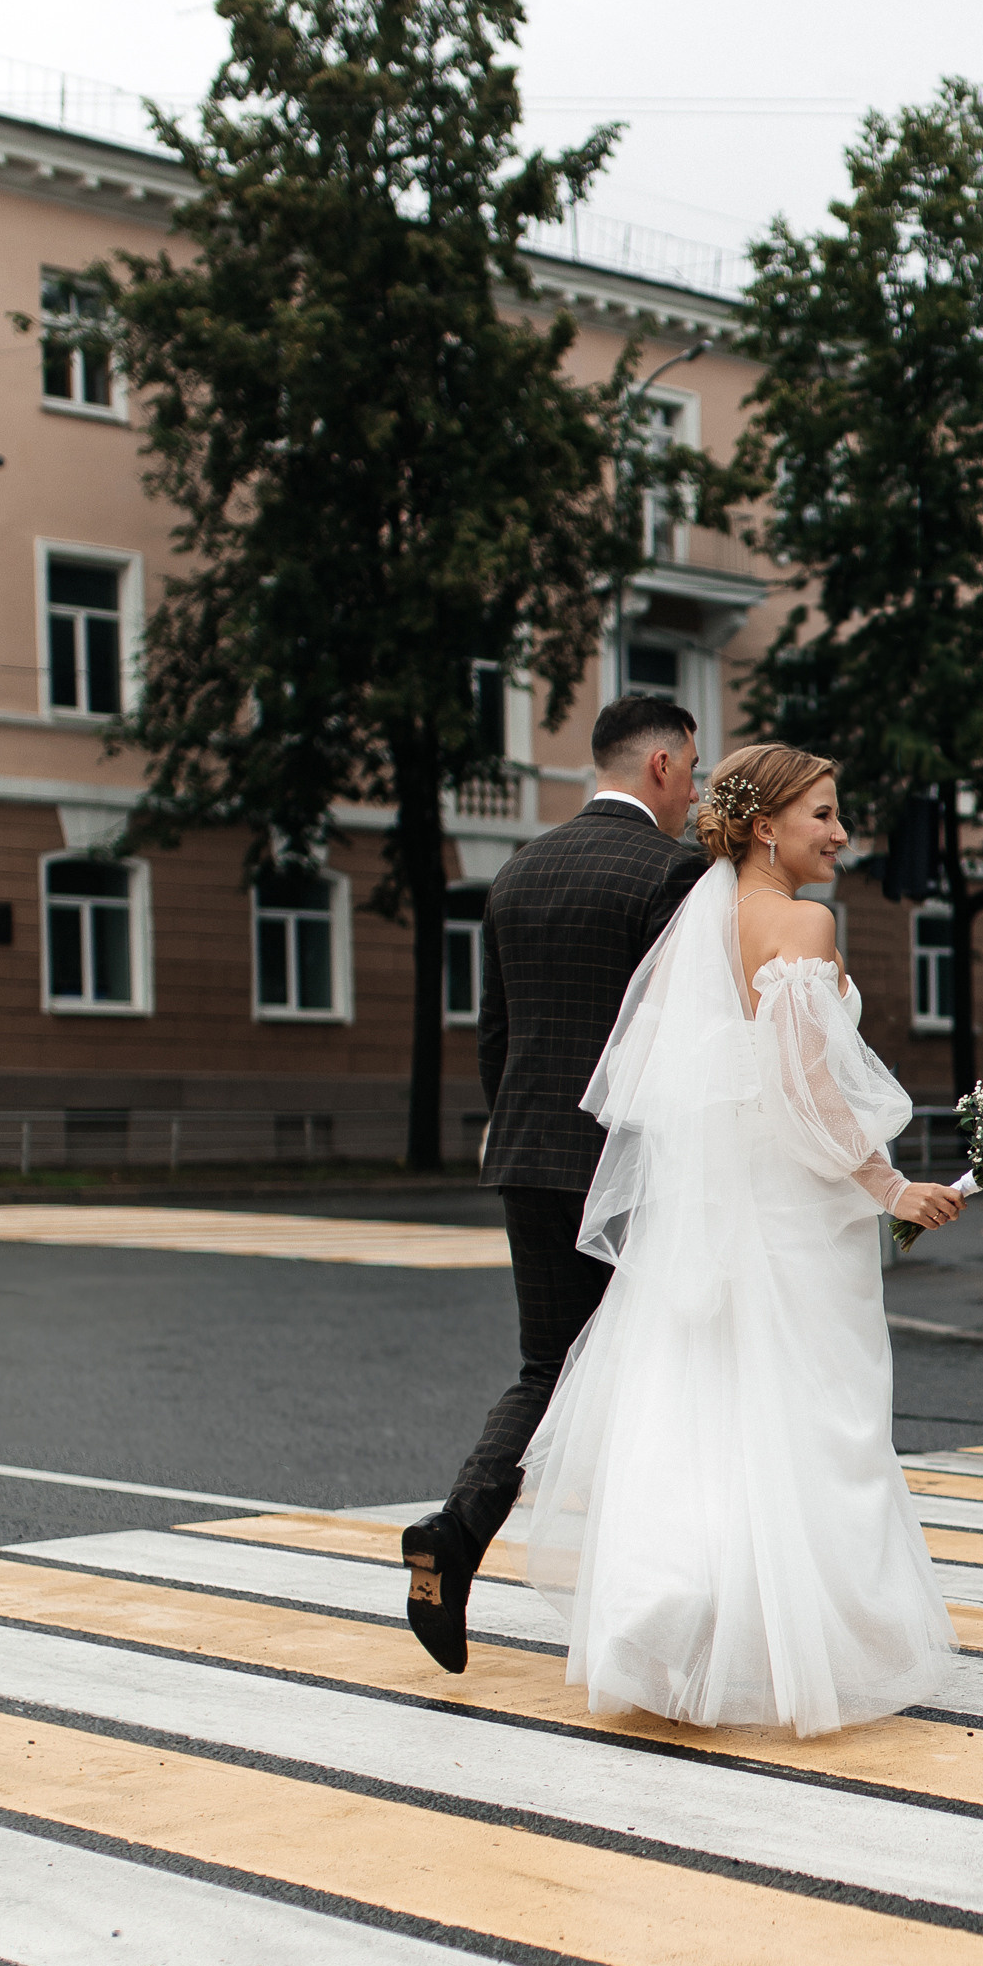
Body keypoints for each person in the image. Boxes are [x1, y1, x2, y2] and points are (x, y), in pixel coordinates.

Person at [510, 741, 967, 1737]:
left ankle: (669, 1629)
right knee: (803, 1416)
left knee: (703, 1409)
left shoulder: (703, 918)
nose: (840, 833)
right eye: (823, 813)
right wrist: (891, 1187)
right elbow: (802, 1087)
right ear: (766, 824)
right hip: (791, 1214)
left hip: (710, 1212)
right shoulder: (802, 921)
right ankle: (791, 1646)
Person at [403, 692, 709, 1673]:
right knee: (665, 1375)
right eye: (693, 772)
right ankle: (653, 1600)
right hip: (635, 1169)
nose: (696, 793)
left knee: (551, 1367)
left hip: (529, 1155)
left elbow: (495, 1038)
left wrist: (529, 1128)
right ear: (659, 766)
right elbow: (679, 1038)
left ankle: (454, 1532)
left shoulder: (517, 869)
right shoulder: (673, 873)